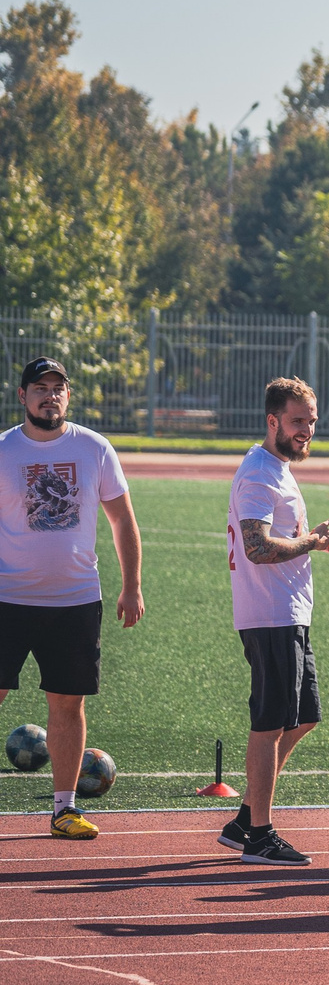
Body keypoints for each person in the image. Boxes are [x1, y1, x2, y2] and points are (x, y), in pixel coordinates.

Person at [0, 358, 142, 841]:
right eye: (40, 388)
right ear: (22, 396)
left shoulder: (94, 448)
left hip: (76, 600)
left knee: (67, 703)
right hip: (8, 598)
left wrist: (132, 585)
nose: (50, 396)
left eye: (58, 388)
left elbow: (122, 520)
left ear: (68, 395)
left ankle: (64, 810)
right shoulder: (3, 450)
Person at [220, 377, 329, 866]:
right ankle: (259, 834)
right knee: (269, 724)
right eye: (297, 421)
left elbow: (276, 537)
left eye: (311, 422)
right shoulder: (259, 472)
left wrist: (309, 536)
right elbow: (257, 547)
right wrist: (310, 544)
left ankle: (244, 819)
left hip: (288, 613)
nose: (306, 431)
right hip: (270, 614)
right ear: (272, 420)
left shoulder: (278, 467)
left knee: (304, 716)